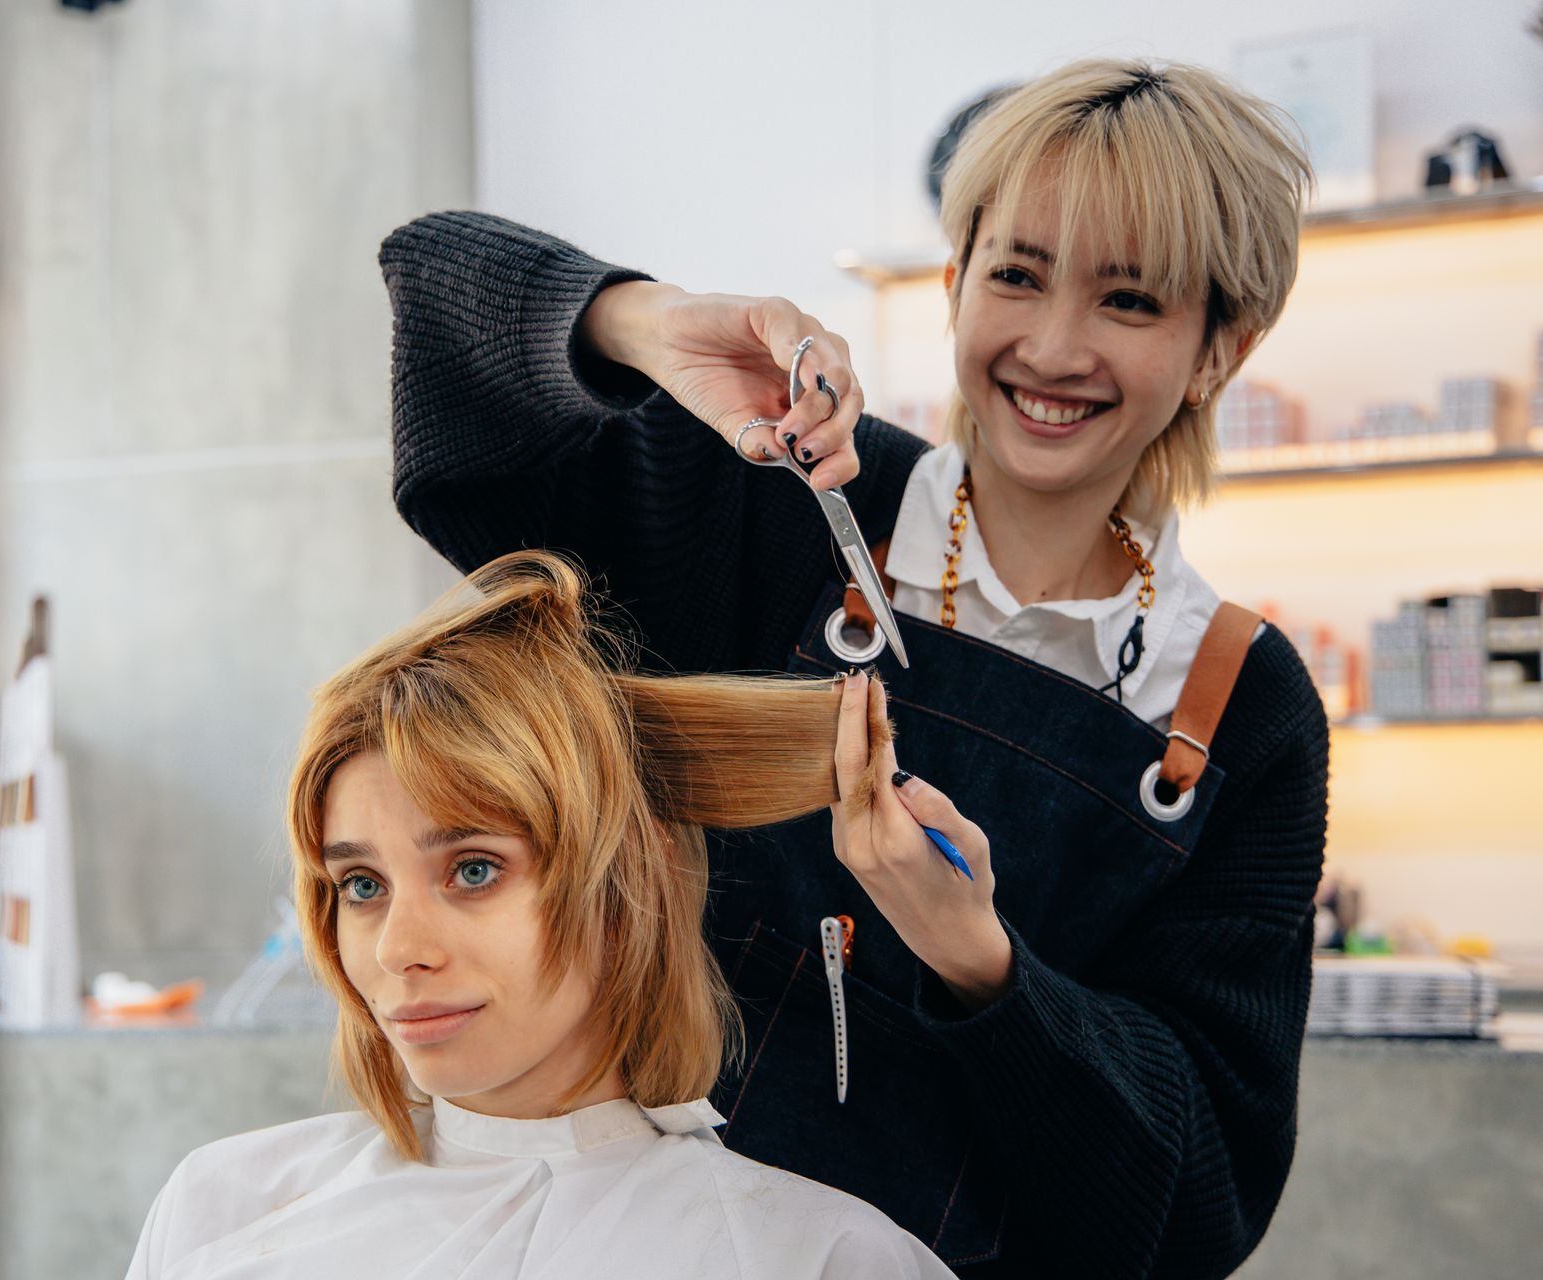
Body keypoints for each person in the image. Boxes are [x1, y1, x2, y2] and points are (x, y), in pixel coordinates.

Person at [377, 58, 1329, 1278]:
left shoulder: (1240, 703)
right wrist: (650, 322)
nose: (1052, 345)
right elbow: (438, 304)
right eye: (1017, 274)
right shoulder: (779, 499)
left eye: (1130, 301)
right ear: (954, 281)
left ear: (1219, 350)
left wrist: (982, 964)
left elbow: (1199, 1198)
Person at [126, 551, 954, 1279]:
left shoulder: (817, 1259)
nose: (399, 952)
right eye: (363, 886)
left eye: (474, 869)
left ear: (626, 882)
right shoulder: (224, 1211)